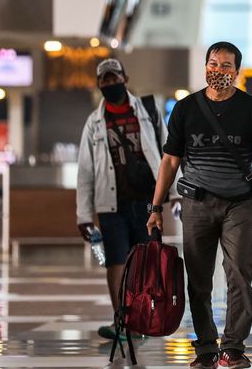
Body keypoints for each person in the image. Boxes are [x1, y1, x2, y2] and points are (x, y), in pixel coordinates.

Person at [146, 42, 252, 369]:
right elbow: (170, 161)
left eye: (226, 65)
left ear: (237, 71)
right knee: (198, 280)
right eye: (213, 64)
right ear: (205, 66)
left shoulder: (251, 109)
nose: (218, 71)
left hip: (238, 205)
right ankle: (205, 348)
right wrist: (155, 206)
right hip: (196, 204)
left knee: (239, 274)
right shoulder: (186, 109)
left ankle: (233, 347)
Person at [76, 58, 174, 340]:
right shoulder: (94, 123)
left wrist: (176, 194)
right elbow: (85, 172)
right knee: (116, 260)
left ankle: (142, 317)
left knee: (145, 262)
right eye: (104, 80)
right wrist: (83, 216)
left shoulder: (147, 110)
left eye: (114, 77)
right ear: (99, 84)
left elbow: (170, 155)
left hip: (146, 200)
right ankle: (121, 319)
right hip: (110, 203)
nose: (110, 83)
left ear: (125, 78)